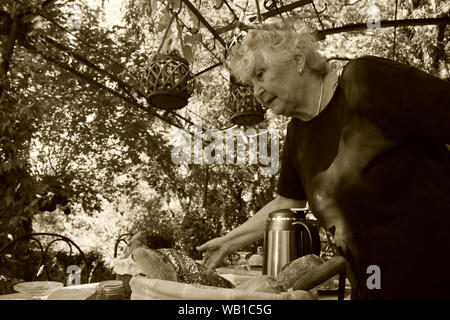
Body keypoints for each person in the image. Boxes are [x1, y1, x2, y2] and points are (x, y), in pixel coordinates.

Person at [197, 23, 450, 300]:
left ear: (298, 60)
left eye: (261, 74)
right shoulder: (297, 134)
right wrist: (228, 242)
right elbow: (285, 204)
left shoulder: (368, 79)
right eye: (252, 83)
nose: (256, 91)